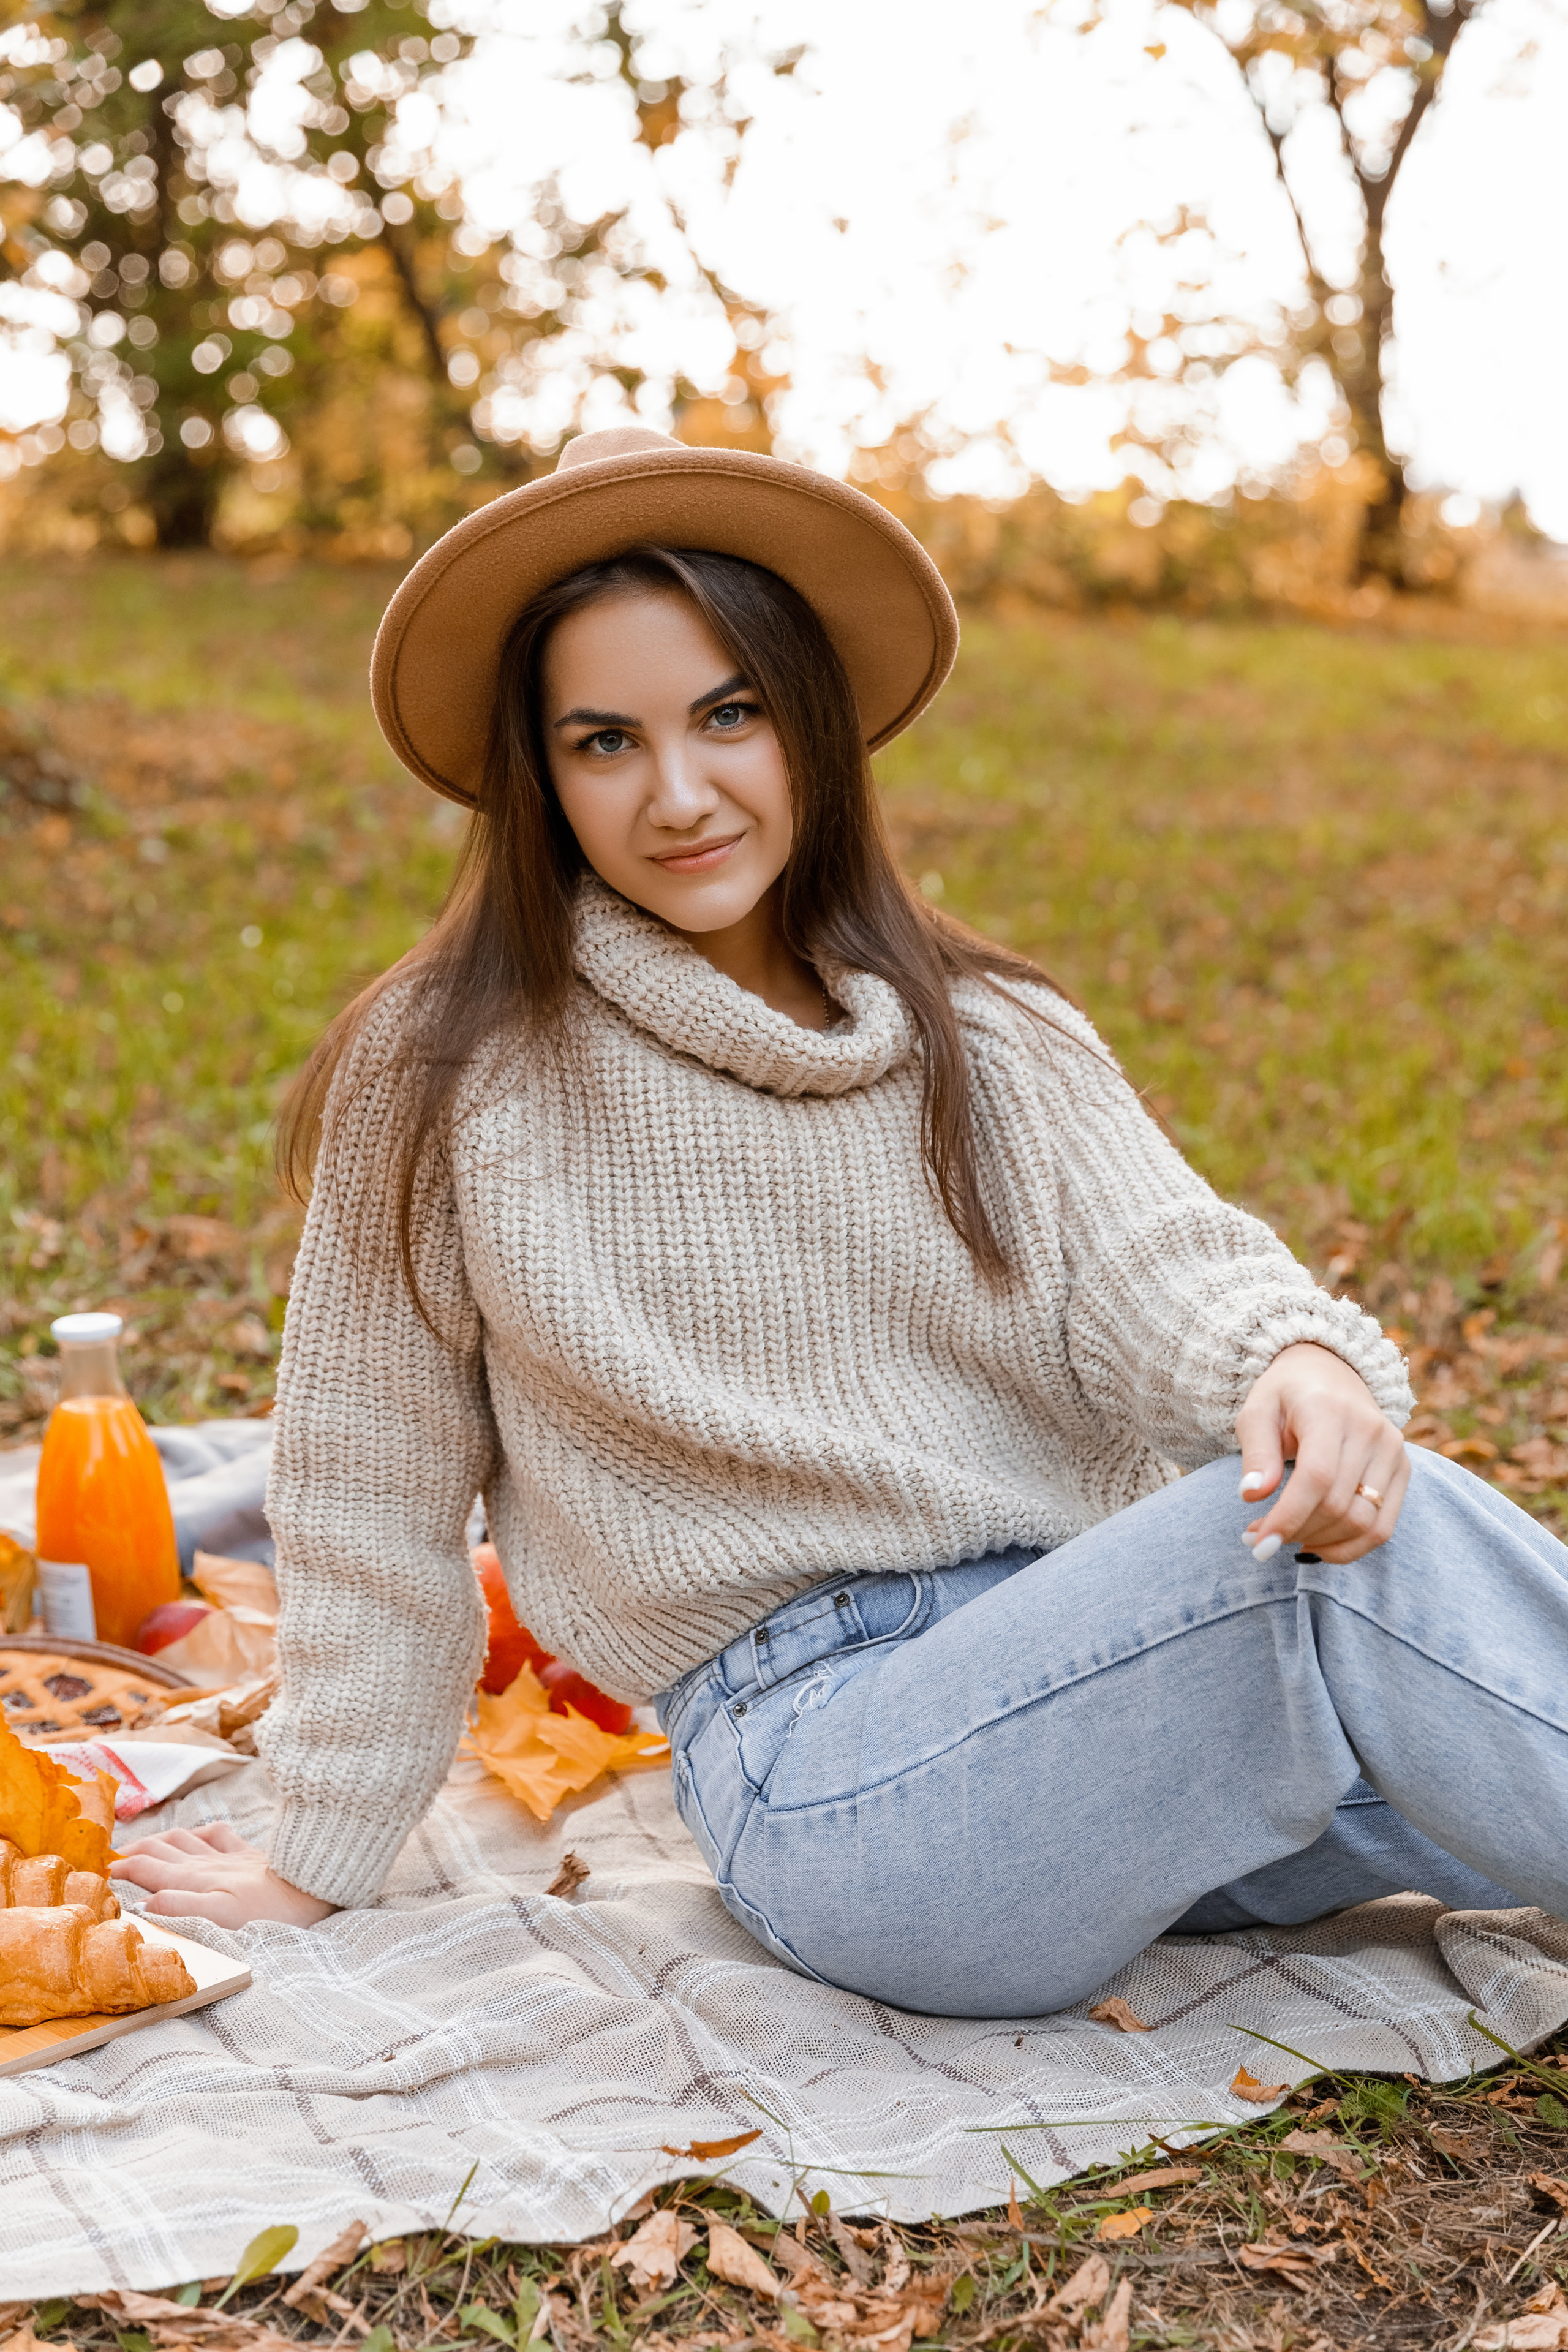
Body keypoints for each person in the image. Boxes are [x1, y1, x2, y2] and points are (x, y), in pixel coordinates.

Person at [112, 428, 1568, 2018]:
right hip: (840, 1783)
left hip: (1128, 1710)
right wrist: (311, 1853)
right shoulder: (453, 1068)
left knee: (1428, 1638)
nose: (679, 793)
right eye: (605, 742)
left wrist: (1297, 1362)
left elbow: (1166, 1266)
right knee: (1344, 1571)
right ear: (543, 772)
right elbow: (369, 1498)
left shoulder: (990, 1032)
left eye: (727, 714)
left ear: (806, 722)